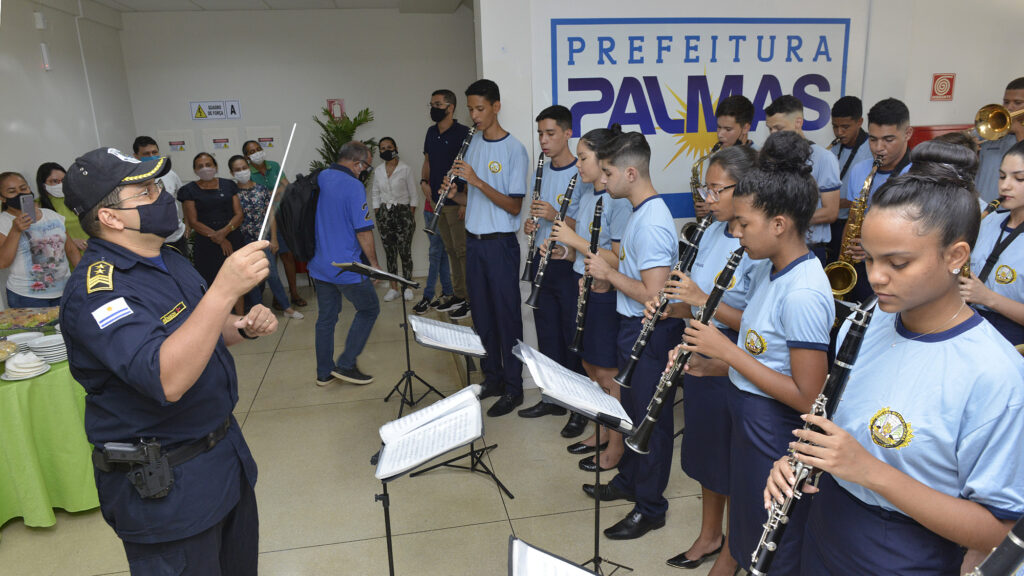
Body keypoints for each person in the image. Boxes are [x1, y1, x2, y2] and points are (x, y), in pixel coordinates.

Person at [764, 149, 1024, 575]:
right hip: (827, 524)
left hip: (906, 553)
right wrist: (799, 461)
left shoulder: (996, 375)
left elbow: (999, 532)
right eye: (869, 257)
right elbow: (837, 426)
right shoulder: (863, 323)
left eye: (898, 262)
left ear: (956, 256)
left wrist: (868, 471)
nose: (876, 277)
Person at [60, 147, 277, 575]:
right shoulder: (98, 293)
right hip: (168, 490)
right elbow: (167, 378)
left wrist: (241, 325)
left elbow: (201, 331)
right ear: (111, 217)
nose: (161, 197)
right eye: (144, 191)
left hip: (222, 460)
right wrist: (224, 290)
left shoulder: (169, 259)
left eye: (158, 185)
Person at [677, 131, 834, 572]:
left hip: (776, 436)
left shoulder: (803, 291)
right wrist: (710, 365)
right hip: (749, 422)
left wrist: (727, 353)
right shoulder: (770, 270)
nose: (735, 231)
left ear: (779, 224)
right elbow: (763, 347)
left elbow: (809, 397)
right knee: (748, 536)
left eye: (744, 224)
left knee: (774, 550)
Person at [649, 145, 759, 573]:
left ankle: (732, 548)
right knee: (705, 454)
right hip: (699, 348)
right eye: (705, 189)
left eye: (716, 191)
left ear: (744, 189)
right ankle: (710, 533)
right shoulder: (712, 229)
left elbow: (759, 321)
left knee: (731, 460)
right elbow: (696, 305)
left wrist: (698, 298)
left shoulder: (757, 239)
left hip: (734, 357)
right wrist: (672, 307)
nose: (707, 199)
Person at [581, 128, 682, 540]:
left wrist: (608, 274)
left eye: (608, 173)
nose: (602, 181)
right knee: (631, 414)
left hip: (650, 332)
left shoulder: (653, 222)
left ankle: (651, 506)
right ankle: (629, 480)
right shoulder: (639, 213)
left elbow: (655, 299)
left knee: (650, 424)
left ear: (630, 173)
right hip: (632, 328)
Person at [548, 127, 633, 459]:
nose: (578, 164)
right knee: (588, 364)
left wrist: (573, 240)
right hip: (581, 286)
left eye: (584, 158)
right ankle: (600, 431)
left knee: (607, 371)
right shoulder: (587, 195)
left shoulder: (617, 202)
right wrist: (566, 252)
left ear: (604, 161)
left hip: (605, 293)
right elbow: (586, 249)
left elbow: (617, 258)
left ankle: (616, 447)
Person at [446, 79, 528, 416]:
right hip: (475, 243)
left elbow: (512, 206)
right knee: (481, 315)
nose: (474, 115)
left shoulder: (514, 150)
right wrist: (455, 195)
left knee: (506, 317)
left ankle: (514, 386)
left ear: (496, 106)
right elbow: (475, 199)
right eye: (470, 109)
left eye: (480, 108)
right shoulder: (472, 143)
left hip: (500, 245)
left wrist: (477, 180)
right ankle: (492, 377)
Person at [517, 105, 583, 422]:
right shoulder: (539, 171)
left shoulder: (582, 173)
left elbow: (583, 228)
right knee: (547, 334)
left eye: (550, 133)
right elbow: (534, 215)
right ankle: (554, 397)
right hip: (541, 259)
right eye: (540, 134)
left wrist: (553, 216)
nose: (544, 140)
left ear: (568, 133)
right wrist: (531, 225)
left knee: (572, 335)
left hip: (568, 264)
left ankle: (579, 406)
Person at [309, 141, 381, 387]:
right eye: (366, 166)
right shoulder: (353, 186)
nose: (364, 171)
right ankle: (347, 365)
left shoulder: (320, 177)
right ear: (356, 163)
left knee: (326, 318)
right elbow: (363, 231)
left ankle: (324, 373)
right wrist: (373, 264)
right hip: (346, 267)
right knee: (369, 309)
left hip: (319, 264)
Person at [840, 98, 914, 303]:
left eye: (888, 140)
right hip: (859, 266)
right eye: (873, 139)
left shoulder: (917, 174)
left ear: (908, 133)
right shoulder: (860, 170)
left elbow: (918, 234)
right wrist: (842, 264)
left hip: (896, 272)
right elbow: (853, 217)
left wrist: (874, 249)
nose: (879, 148)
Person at [764, 95, 841, 264]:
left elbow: (830, 212)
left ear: (798, 122)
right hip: (776, 247)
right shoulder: (769, 158)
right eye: (770, 129)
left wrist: (786, 220)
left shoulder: (824, 158)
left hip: (809, 249)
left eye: (778, 128)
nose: (772, 135)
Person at [961, 140, 1024, 345]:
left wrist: (987, 297)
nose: (1005, 185)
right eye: (1002, 176)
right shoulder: (988, 220)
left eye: (1019, 178)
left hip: (1012, 340)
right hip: (971, 326)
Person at [228, 155, 302, 320]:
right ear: (232, 172)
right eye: (237, 170)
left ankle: (287, 308)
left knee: (272, 274)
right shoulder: (232, 193)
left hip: (264, 238)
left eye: (244, 168)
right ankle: (258, 311)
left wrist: (274, 238)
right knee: (252, 277)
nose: (242, 172)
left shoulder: (261, 189)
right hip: (244, 240)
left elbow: (270, 215)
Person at [422, 89, 470, 319]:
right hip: (437, 200)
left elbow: (470, 168)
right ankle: (458, 294)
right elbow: (428, 160)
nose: (433, 108)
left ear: (450, 107)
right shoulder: (431, 132)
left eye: (438, 104)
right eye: (431, 104)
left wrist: (464, 202)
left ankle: (470, 298)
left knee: (462, 251)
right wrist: (424, 182)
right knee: (450, 250)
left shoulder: (464, 132)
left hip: (456, 200)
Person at [0, 171, 81, 307]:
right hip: (26, 297)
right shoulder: (4, 222)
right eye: (12, 191)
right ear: (2, 198)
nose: (20, 194)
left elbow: (71, 250)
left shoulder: (52, 215)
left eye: (23, 188)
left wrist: (82, 278)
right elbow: (3, 262)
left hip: (65, 291)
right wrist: (15, 230)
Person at [243, 140, 306, 308]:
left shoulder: (274, 166)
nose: (256, 153)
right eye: (251, 151)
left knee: (288, 256)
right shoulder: (246, 172)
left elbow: (288, 187)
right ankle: (277, 296)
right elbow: (251, 193)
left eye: (258, 149)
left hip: (283, 216)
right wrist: (274, 192)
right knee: (269, 260)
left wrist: (271, 193)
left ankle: (293, 294)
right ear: (246, 157)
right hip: (262, 223)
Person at [178, 153, 244, 295]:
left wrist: (223, 233)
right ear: (195, 170)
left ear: (216, 167)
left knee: (237, 280)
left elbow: (239, 214)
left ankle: (239, 314)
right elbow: (194, 221)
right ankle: (218, 315)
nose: (205, 168)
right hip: (206, 242)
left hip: (232, 237)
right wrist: (219, 239)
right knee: (211, 281)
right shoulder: (189, 190)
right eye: (200, 166)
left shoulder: (229, 185)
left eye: (208, 165)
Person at [370, 137, 418, 302]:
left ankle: (408, 286)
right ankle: (393, 288)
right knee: (390, 253)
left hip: (403, 214)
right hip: (385, 215)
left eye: (389, 147)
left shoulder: (406, 169)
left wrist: (409, 215)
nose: (386, 150)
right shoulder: (378, 171)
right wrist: (378, 212)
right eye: (382, 148)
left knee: (405, 252)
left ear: (396, 148)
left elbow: (413, 195)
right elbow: (375, 193)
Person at [694, 95, 756, 219]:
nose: (720, 135)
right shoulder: (717, 159)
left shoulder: (760, 160)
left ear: (746, 128)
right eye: (719, 127)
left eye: (728, 129)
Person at [827, 96, 872, 263]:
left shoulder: (871, 149)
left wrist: (834, 202)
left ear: (860, 122)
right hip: (831, 223)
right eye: (835, 126)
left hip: (855, 226)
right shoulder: (834, 147)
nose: (839, 132)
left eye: (845, 127)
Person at [133, 136, 188, 256]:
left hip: (176, 238)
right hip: (149, 243)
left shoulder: (170, 174)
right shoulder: (132, 181)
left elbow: (185, 198)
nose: (152, 156)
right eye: (146, 154)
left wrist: (187, 223)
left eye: (155, 152)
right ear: (136, 156)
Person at [976, 77, 1024, 203]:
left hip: (1012, 210)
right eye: (1006, 102)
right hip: (981, 203)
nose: (1010, 108)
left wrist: (1019, 131)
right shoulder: (993, 126)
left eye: (1018, 103)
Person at [36, 162, 89, 252]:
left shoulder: (80, 197)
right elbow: (37, 239)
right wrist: (69, 242)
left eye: (63, 180)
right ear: (43, 184)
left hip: (92, 251)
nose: (60, 184)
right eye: (55, 181)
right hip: (65, 256)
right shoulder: (37, 206)